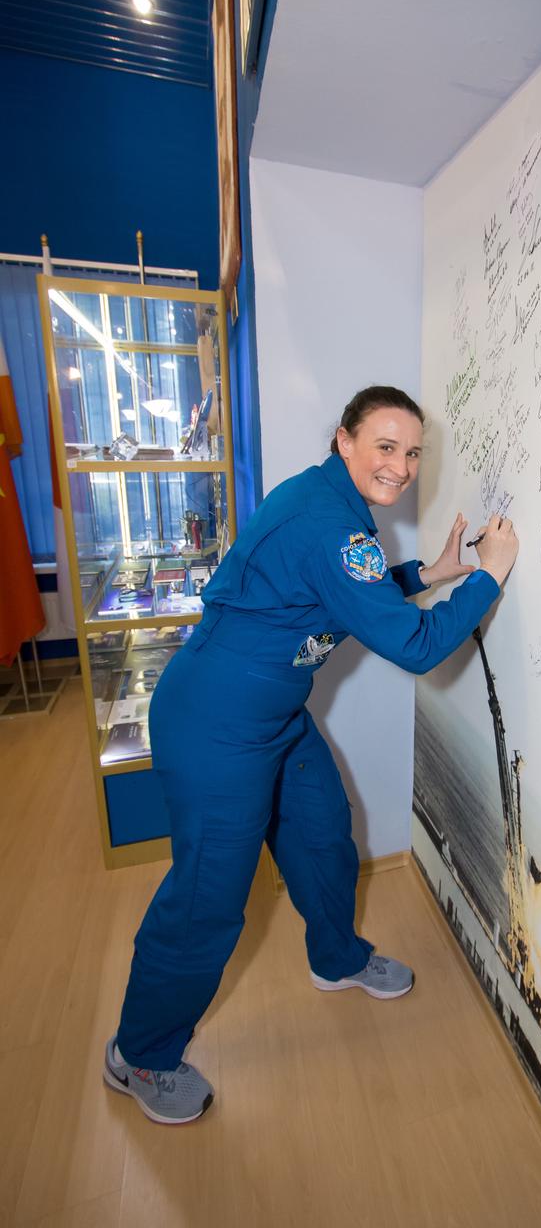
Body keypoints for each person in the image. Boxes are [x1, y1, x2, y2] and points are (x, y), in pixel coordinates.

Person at [103, 385, 519, 1124]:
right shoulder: (331, 525)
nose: (400, 465)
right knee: (209, 900)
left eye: (412, 451)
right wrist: (490, 573)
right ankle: (139, 1054)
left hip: (273, 714)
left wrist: (432, 573)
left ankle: (337, 958)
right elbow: (415, 645)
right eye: (384, 447)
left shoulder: (333, 512)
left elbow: (340, 597)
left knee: (325, 833)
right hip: (215, 724)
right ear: (345, 440)